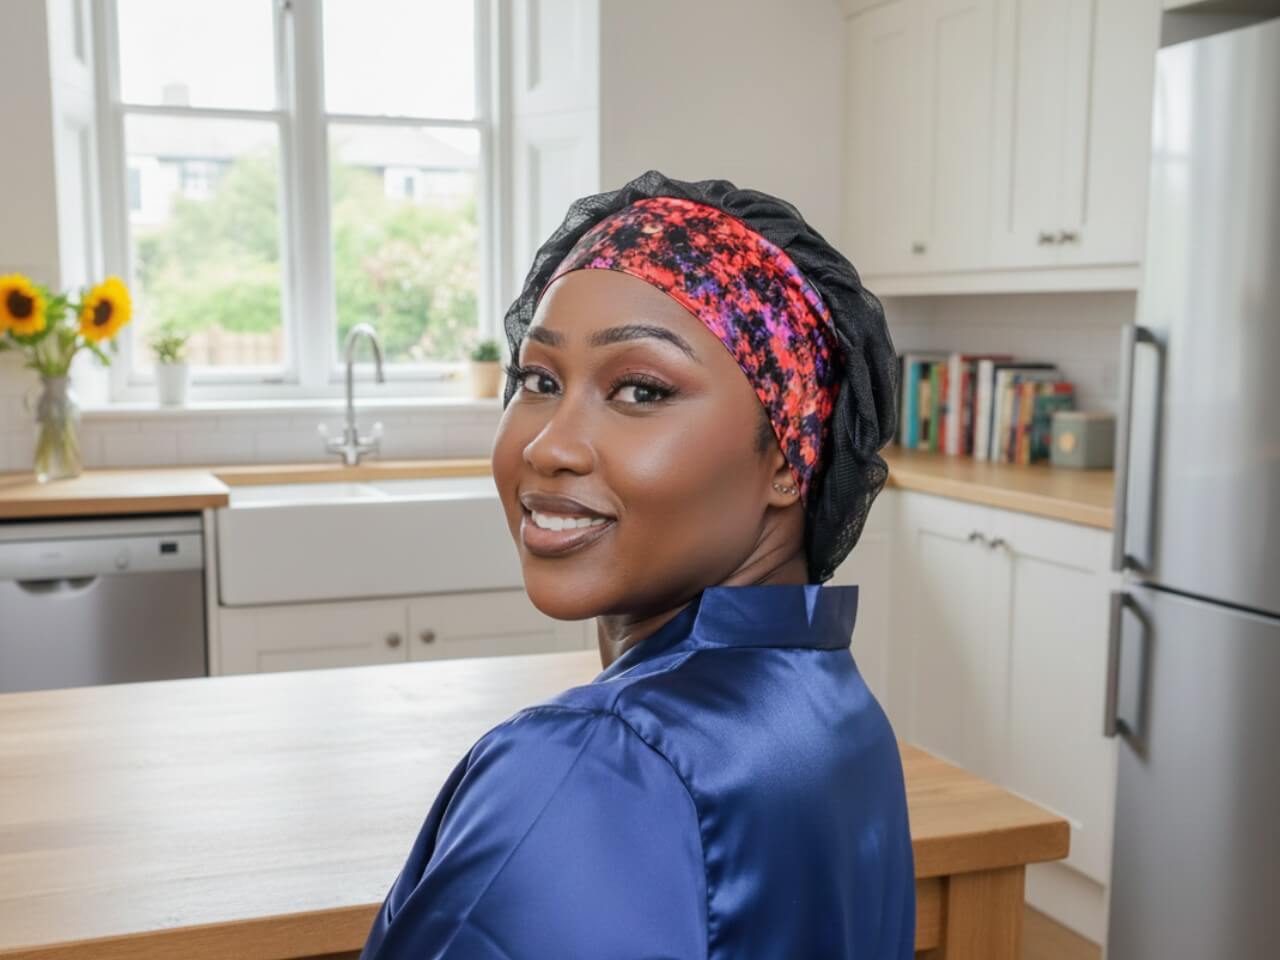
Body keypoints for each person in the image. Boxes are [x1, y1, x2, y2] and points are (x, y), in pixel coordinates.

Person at [360, 169, 914, 959]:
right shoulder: (836, 712)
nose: (549, 444)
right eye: (538, 380)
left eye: (641, 392)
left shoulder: (592, 767)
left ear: (791, 459)